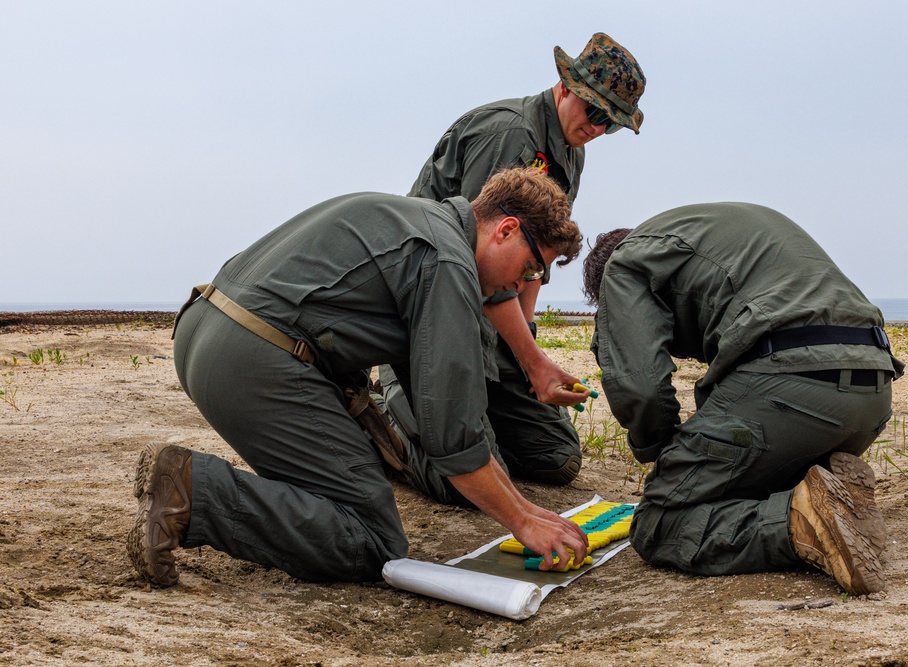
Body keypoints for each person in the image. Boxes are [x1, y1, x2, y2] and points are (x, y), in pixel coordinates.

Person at [126, 167, 590, 587]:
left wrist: (530, 510)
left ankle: (200, 490)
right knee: (371, 538)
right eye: (532, 268)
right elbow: (454, 438)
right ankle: (194, 491)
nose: (524, 284)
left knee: (340, 491)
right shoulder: (448, 262)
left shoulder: (420, 220)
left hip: (205, 329)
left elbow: (442, 410)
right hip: (255, 357)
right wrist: (524, 522)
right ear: (506, 230)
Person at [582, 202, 905, 595]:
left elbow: (640, 386)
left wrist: (663, 454)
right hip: (873, 393)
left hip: (791, 388)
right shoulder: (714, 232)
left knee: (658, 523)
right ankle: (832, 497)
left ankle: (799, 521)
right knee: (743, 484)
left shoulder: (625, 263)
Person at [381, 32, 647, 496]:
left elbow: (533, 260)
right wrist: (532, 361)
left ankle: (465, 421)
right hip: (429, 310)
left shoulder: (571, 149)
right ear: (566, 88)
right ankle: (386, 411)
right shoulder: (509, 136)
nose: (600, 129)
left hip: (487, 315)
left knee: (557, 459)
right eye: (596, 112)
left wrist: (528, 349)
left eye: (613, 123)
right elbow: (485, 263)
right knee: (462, 485)